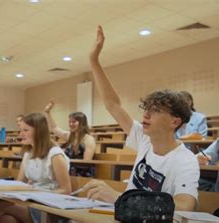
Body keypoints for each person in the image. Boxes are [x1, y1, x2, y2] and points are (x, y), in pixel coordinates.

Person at [84, 26, 199, 211]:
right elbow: (113, 105)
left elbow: (185, 206)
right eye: (146, 109)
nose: (145, 115)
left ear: (174, 122)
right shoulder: (145, 140)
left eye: (155, 110)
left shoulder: (185, 160)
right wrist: (94, 61)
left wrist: (119, 198)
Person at [0, 113, 72, 223]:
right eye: (20, 130)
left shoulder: (55, 154)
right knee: (8, 219)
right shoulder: (28, 153)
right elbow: (20, 182)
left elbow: (66, 190)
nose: (20, 134)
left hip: (50, 205)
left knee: (4, 208)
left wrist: (37, 194)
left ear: (38, 131)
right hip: (32, 201)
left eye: (25, 130)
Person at [44, 101, 96, 177]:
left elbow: (86, 162)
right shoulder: (69, 136)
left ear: (82, 123)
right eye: (69, 122)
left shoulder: (89, 139)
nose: (71, 124)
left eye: (74, 122)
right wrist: (47, 112)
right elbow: (54, 128)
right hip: (67, 169)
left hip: (81, 174)